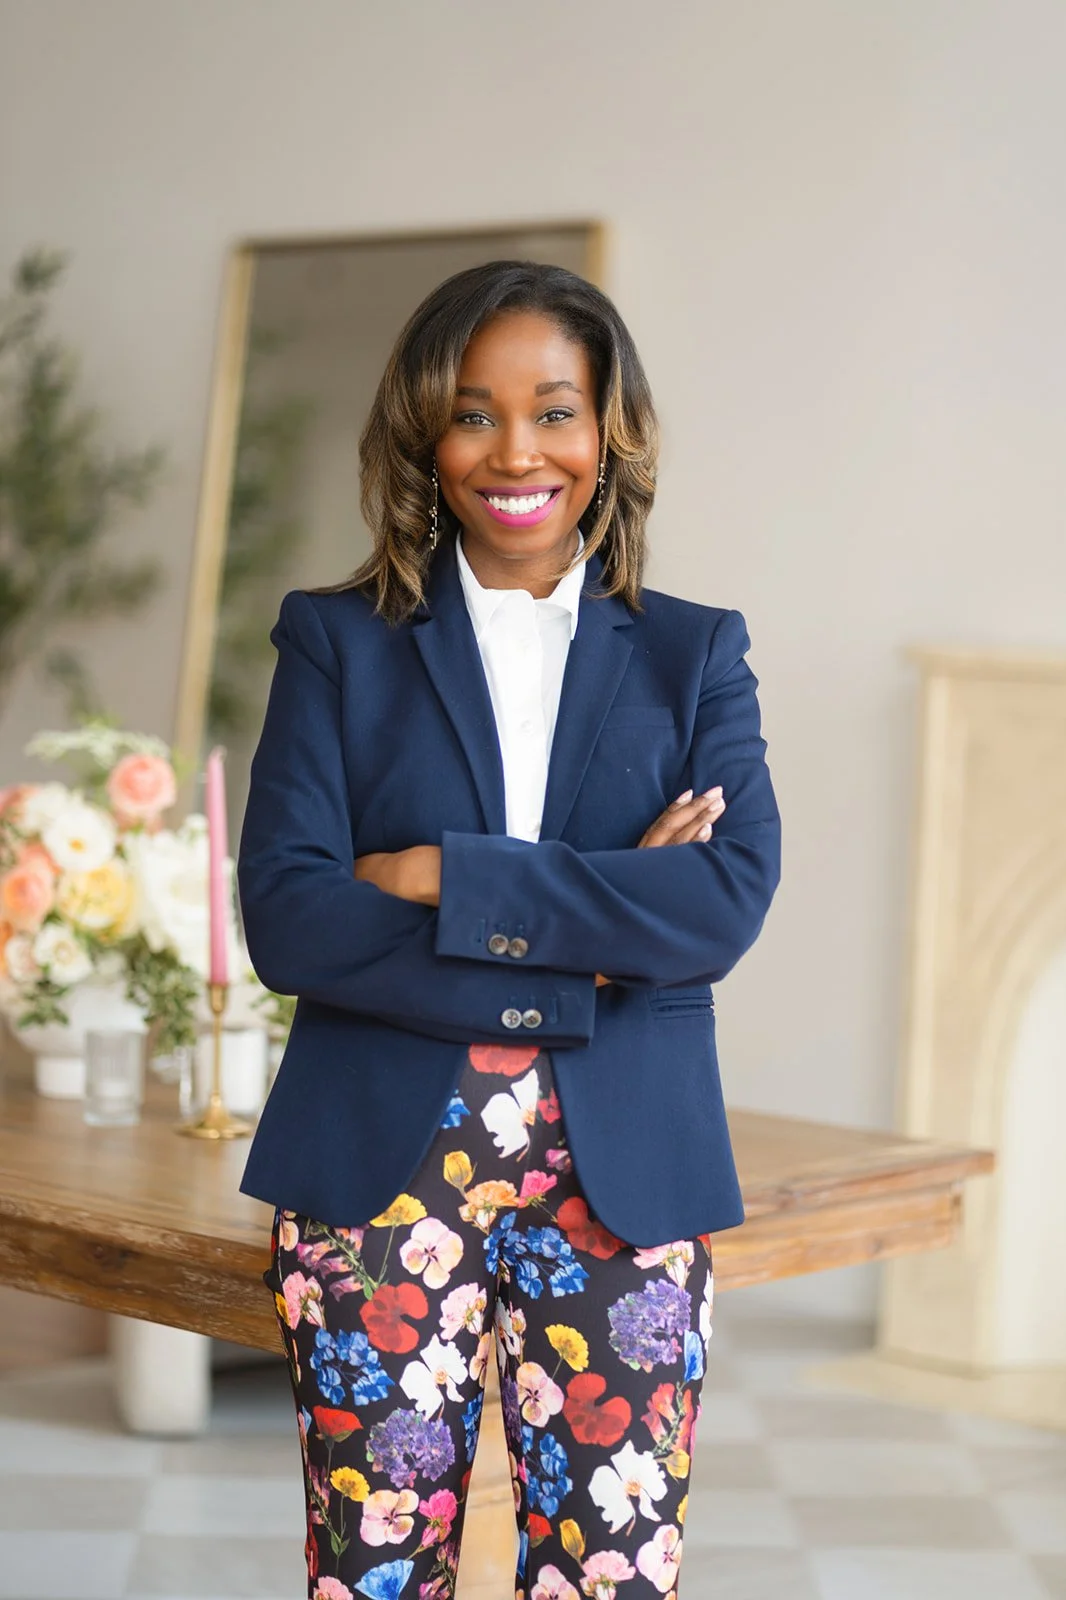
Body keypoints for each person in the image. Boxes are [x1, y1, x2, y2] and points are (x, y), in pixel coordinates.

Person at [237, 259, 781, 1600]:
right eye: (474, 412)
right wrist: (601, 919)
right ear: (425, 431)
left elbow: (719, 903)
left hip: (628, 1168)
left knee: (612, 1573)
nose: (516, 450)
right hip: (377, 1166)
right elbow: (293, 919)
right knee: (374, 1570)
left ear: (609, 432)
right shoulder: (335, 643)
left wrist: (441, 875)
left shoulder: (692, 653)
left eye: (554, 410)